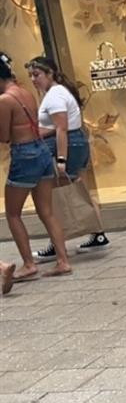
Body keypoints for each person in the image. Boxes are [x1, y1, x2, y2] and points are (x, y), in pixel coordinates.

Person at [25, 56, 111, 261]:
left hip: (67, 145)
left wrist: (61, 159)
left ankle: (58, 242)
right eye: (30, 76)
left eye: (36, 75)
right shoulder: (59, 92)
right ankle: (97, 234)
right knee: (80, 190)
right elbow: (58, 126)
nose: (33, 80)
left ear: (50, 74)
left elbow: (61, 128)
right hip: (75, 142)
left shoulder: (54, 95)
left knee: (54, 195)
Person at [0, 51, 71, 279]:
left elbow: (4, 136)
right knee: (46, 211)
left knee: (13, 213)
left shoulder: (5, 100)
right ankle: (63, 260)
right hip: (41, 150)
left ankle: (29, 264)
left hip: (24, 154)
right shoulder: (25, 93)